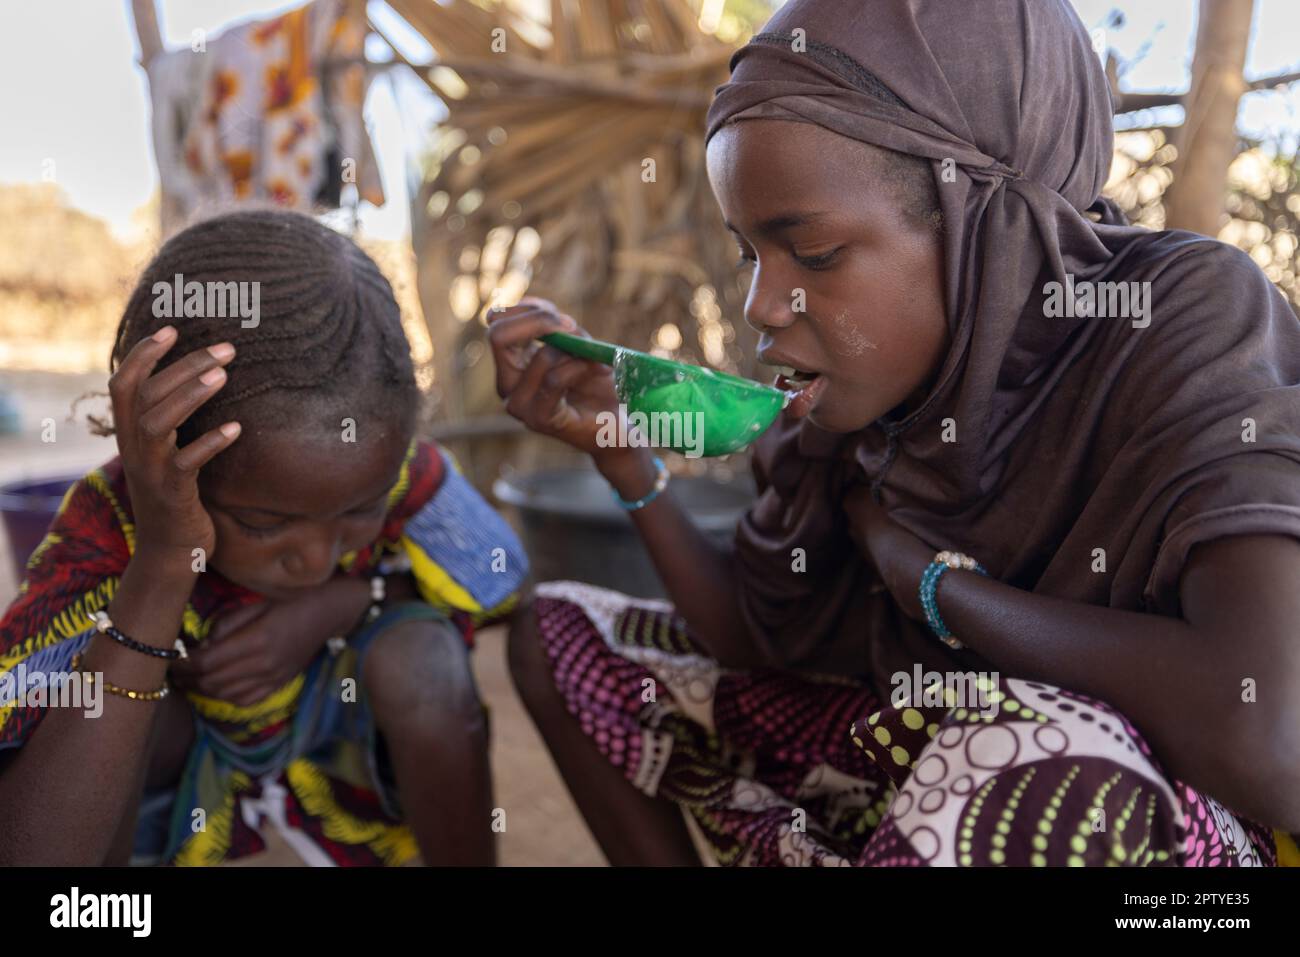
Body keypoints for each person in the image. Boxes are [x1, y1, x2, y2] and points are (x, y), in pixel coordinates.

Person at [487, 0, 1300, 866]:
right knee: (560, 635)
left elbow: (1269, 739)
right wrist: (625, 457)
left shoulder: (1181, 317)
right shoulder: (869, 404)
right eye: (749, 254)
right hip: (925, 785)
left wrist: (933, 586)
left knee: (1024, 756)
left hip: (1167, 857)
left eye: (816, 254)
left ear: (982, 223)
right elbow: (751, 638)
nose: (763, 304)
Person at [0, 209, 526, 866]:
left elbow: (505, 581)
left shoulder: (387, 466)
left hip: (335, 752)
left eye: (360, 511)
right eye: (263, 523)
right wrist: (164, 563)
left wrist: (345, 601)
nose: (316, 557)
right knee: (113, 704)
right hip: (179, 788)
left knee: (424, 658)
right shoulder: (112, 522)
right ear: (165, 460)